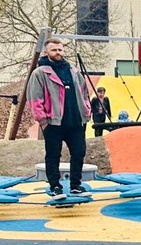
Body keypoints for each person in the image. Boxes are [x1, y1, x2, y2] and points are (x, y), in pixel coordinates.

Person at [23, 37, 92, 197]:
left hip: (76, 121)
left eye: (60, 49)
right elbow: (34, 98)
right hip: (53, 122)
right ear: (47, 52)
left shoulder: (74, 71)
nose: (58, 52)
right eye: (54, 50)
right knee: (53, 154)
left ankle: (76, 185)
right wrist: (43, 120)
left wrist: (86, 111)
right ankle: (55, 186)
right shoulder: (40, 73)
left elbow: (84, 92)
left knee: (79, 153)